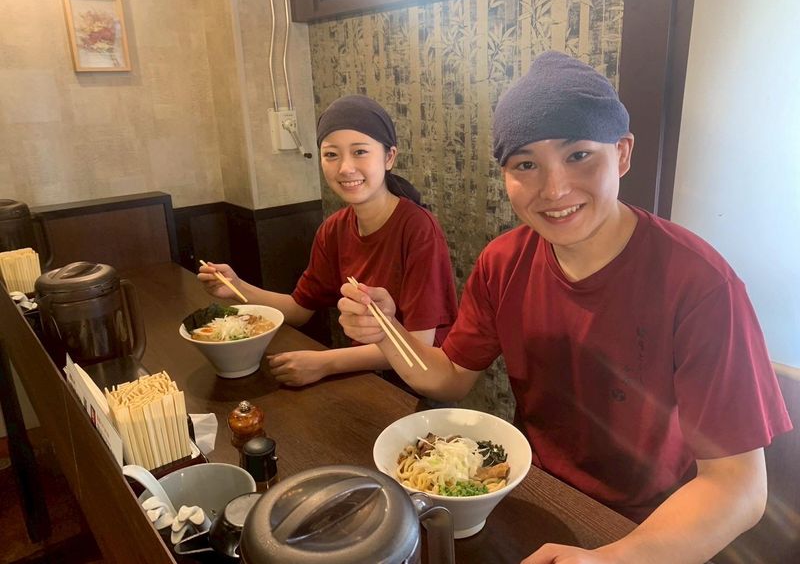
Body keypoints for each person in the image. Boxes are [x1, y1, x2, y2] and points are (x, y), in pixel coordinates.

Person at [338, 51, 792, 563]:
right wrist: (386, 329)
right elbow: (451, 377)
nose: (554, 189)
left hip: (653, 527)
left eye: (579, 155)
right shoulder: (502, 262)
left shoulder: (699, 282)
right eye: (526, 164)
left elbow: (738, 486)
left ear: (622, 154)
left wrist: (612, 558)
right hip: (536, 495)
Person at [198, 95, 457, 387]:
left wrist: (326, 362)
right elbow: (299, 309)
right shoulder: (333, 230)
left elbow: (419, 345)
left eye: (360, 151)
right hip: (367, 379)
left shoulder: (418, 229)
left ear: (389, 157)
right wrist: (236, 287)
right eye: (331, 154)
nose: (345, 167)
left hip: (420, 385)